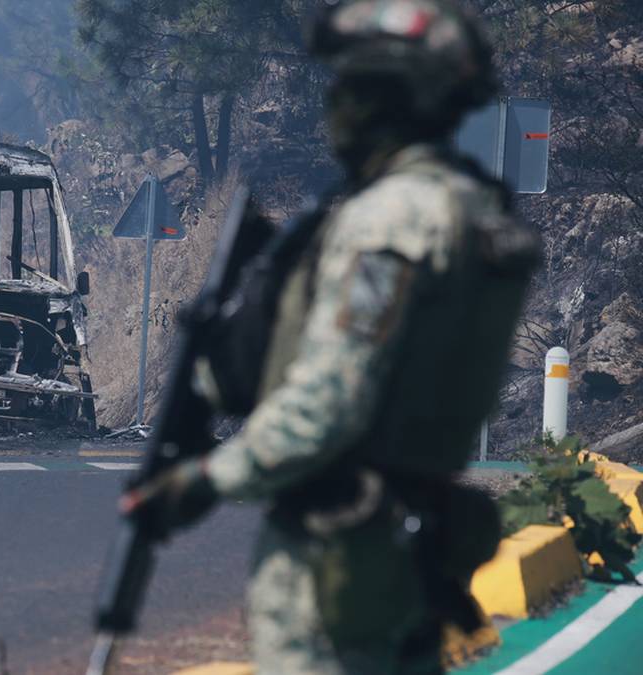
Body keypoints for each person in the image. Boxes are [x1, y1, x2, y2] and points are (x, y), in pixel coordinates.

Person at [123, 0, 541, 672]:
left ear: (385, 97)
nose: (336, 107)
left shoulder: (390, 224)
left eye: (350, 87)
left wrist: (205, 478)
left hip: (338, 562)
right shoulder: (478, 213)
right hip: (415, 552)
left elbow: (331, 400)